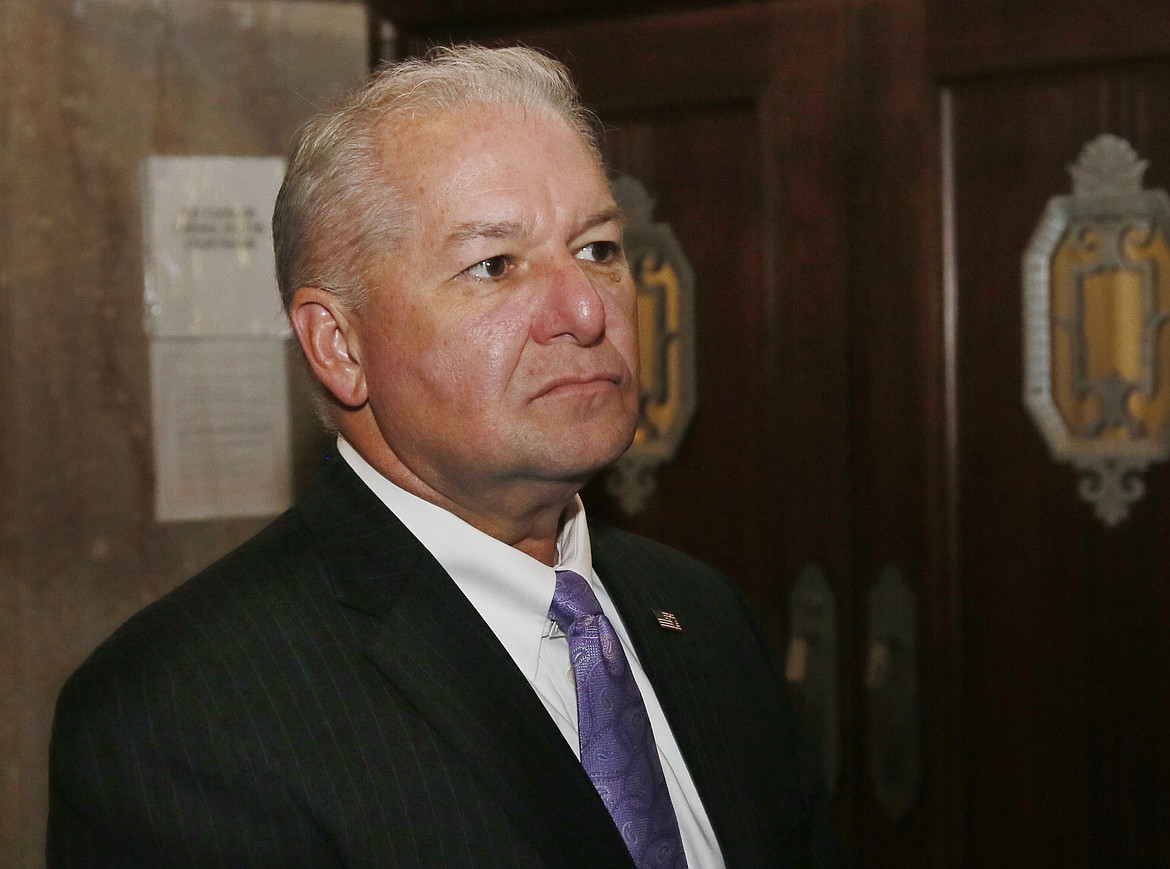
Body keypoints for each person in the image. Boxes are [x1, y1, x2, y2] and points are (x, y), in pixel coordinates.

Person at [47, 45, 836, 868]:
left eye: (599, 249)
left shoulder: (706, 616)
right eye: (494, 266)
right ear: (340, 345)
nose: (582, 309)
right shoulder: (180, 715)